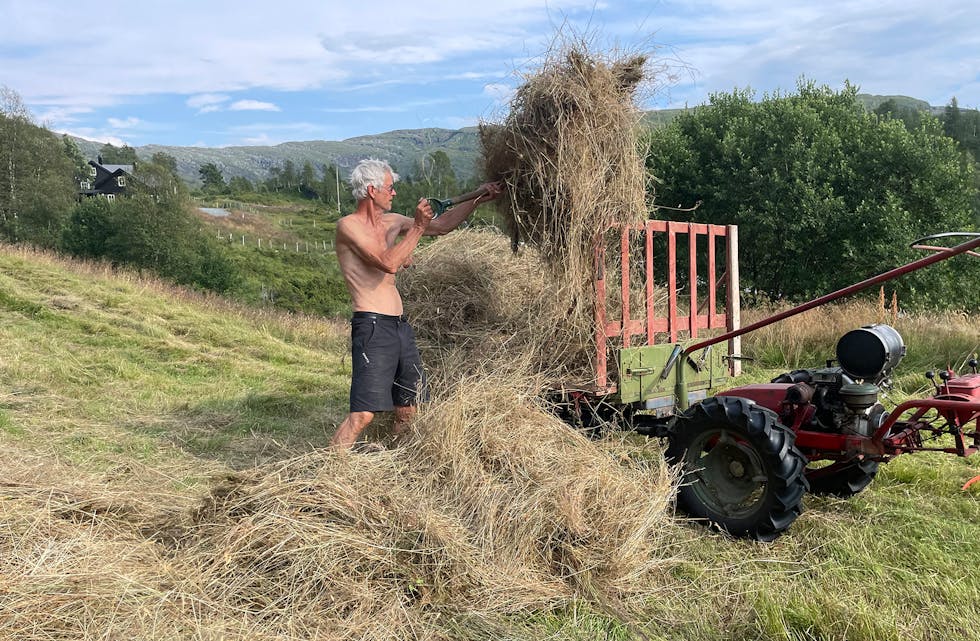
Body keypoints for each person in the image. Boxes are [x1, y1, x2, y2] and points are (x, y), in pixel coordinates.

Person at [331, 158, 502, 449]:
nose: (394, 192)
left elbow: (442, 226)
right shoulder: (349, 226)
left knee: (408, 408)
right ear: (372, 190)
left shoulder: (393, 221)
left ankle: (395, 463)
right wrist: (418, 228)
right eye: (390, 187)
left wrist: (477, 199)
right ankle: (329, 469)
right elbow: (388, 263)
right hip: (372, 326)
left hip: (399, 327)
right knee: (362, 415)